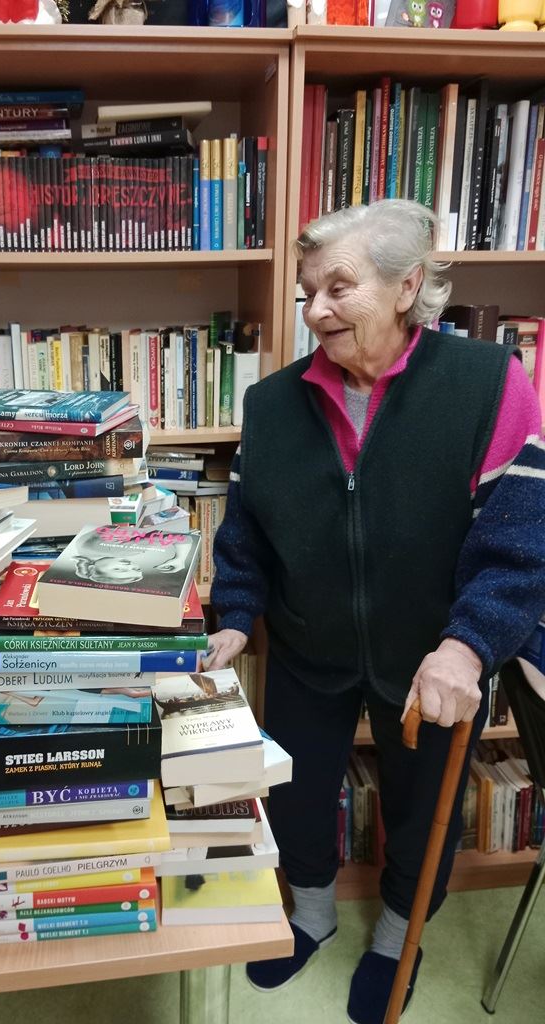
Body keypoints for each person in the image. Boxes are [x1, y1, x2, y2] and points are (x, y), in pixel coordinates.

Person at [204, 199, 545, 1024]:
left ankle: (397, 937)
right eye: (307, 292)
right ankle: (313, 915)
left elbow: (521, 542)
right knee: (296, 792)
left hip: (433, 657)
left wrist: (469, 646)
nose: (315, 310)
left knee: (422, 811)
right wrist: (235, 614)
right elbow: (246, 529)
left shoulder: (489, 382)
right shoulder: (271, 403)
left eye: (339, 287)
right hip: (308, 645)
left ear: (408, 287)